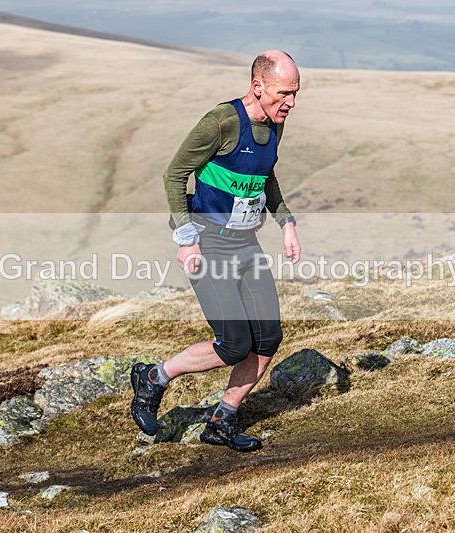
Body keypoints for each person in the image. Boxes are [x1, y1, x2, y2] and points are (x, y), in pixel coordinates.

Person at [130, 50, 301, 452]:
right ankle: (154, 377)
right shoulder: (222, 122)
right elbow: (174, 174)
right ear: (258, 87)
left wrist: (286, 222)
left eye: (296, 94)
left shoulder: (275, 123)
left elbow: (265, 174)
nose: (290, 103)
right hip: (208, 244)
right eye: (283, 93)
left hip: (245, 244)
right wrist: (186, 238)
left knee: (268, 338)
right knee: (233, 344)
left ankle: (222, 420)